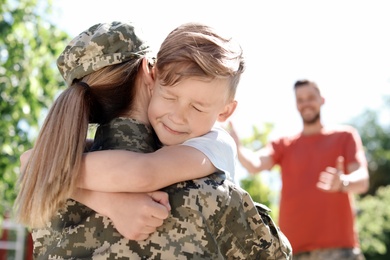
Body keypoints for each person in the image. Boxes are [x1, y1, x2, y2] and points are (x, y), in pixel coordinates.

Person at [15, 21, 292, 259]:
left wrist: (80, 189)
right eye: (170, 97)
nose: (178, 116)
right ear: (152, 73)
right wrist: (112, 204)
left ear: (225, 112)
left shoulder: (212, 144)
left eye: (197, 107)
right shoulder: (209, 193)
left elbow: (39, 164)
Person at [228, 79, 369, 260]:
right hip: (295, 251)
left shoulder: (345, 136)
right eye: (300, 100)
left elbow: (362, 180)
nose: (305, 103)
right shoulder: (284, 145)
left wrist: (343, 182)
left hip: (340, 250)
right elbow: (255, 164)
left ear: (322, 100)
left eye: (310, 97)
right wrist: (237, 148)